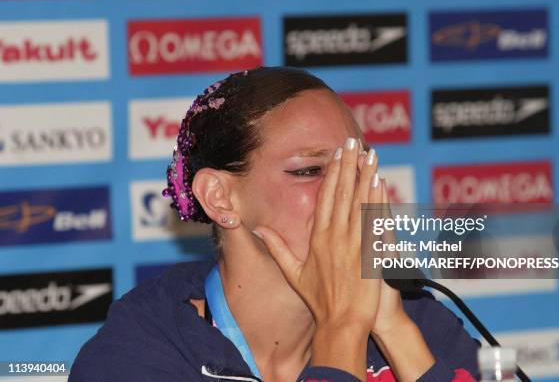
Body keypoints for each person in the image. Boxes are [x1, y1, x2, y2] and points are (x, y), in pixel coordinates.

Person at [69, 66, 480, 382]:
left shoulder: (413, 316)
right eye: (309, 170)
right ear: (220, 197)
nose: (348, 190)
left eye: (360, 166)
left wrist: (394, 329)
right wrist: (342, 328)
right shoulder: (138, 355)